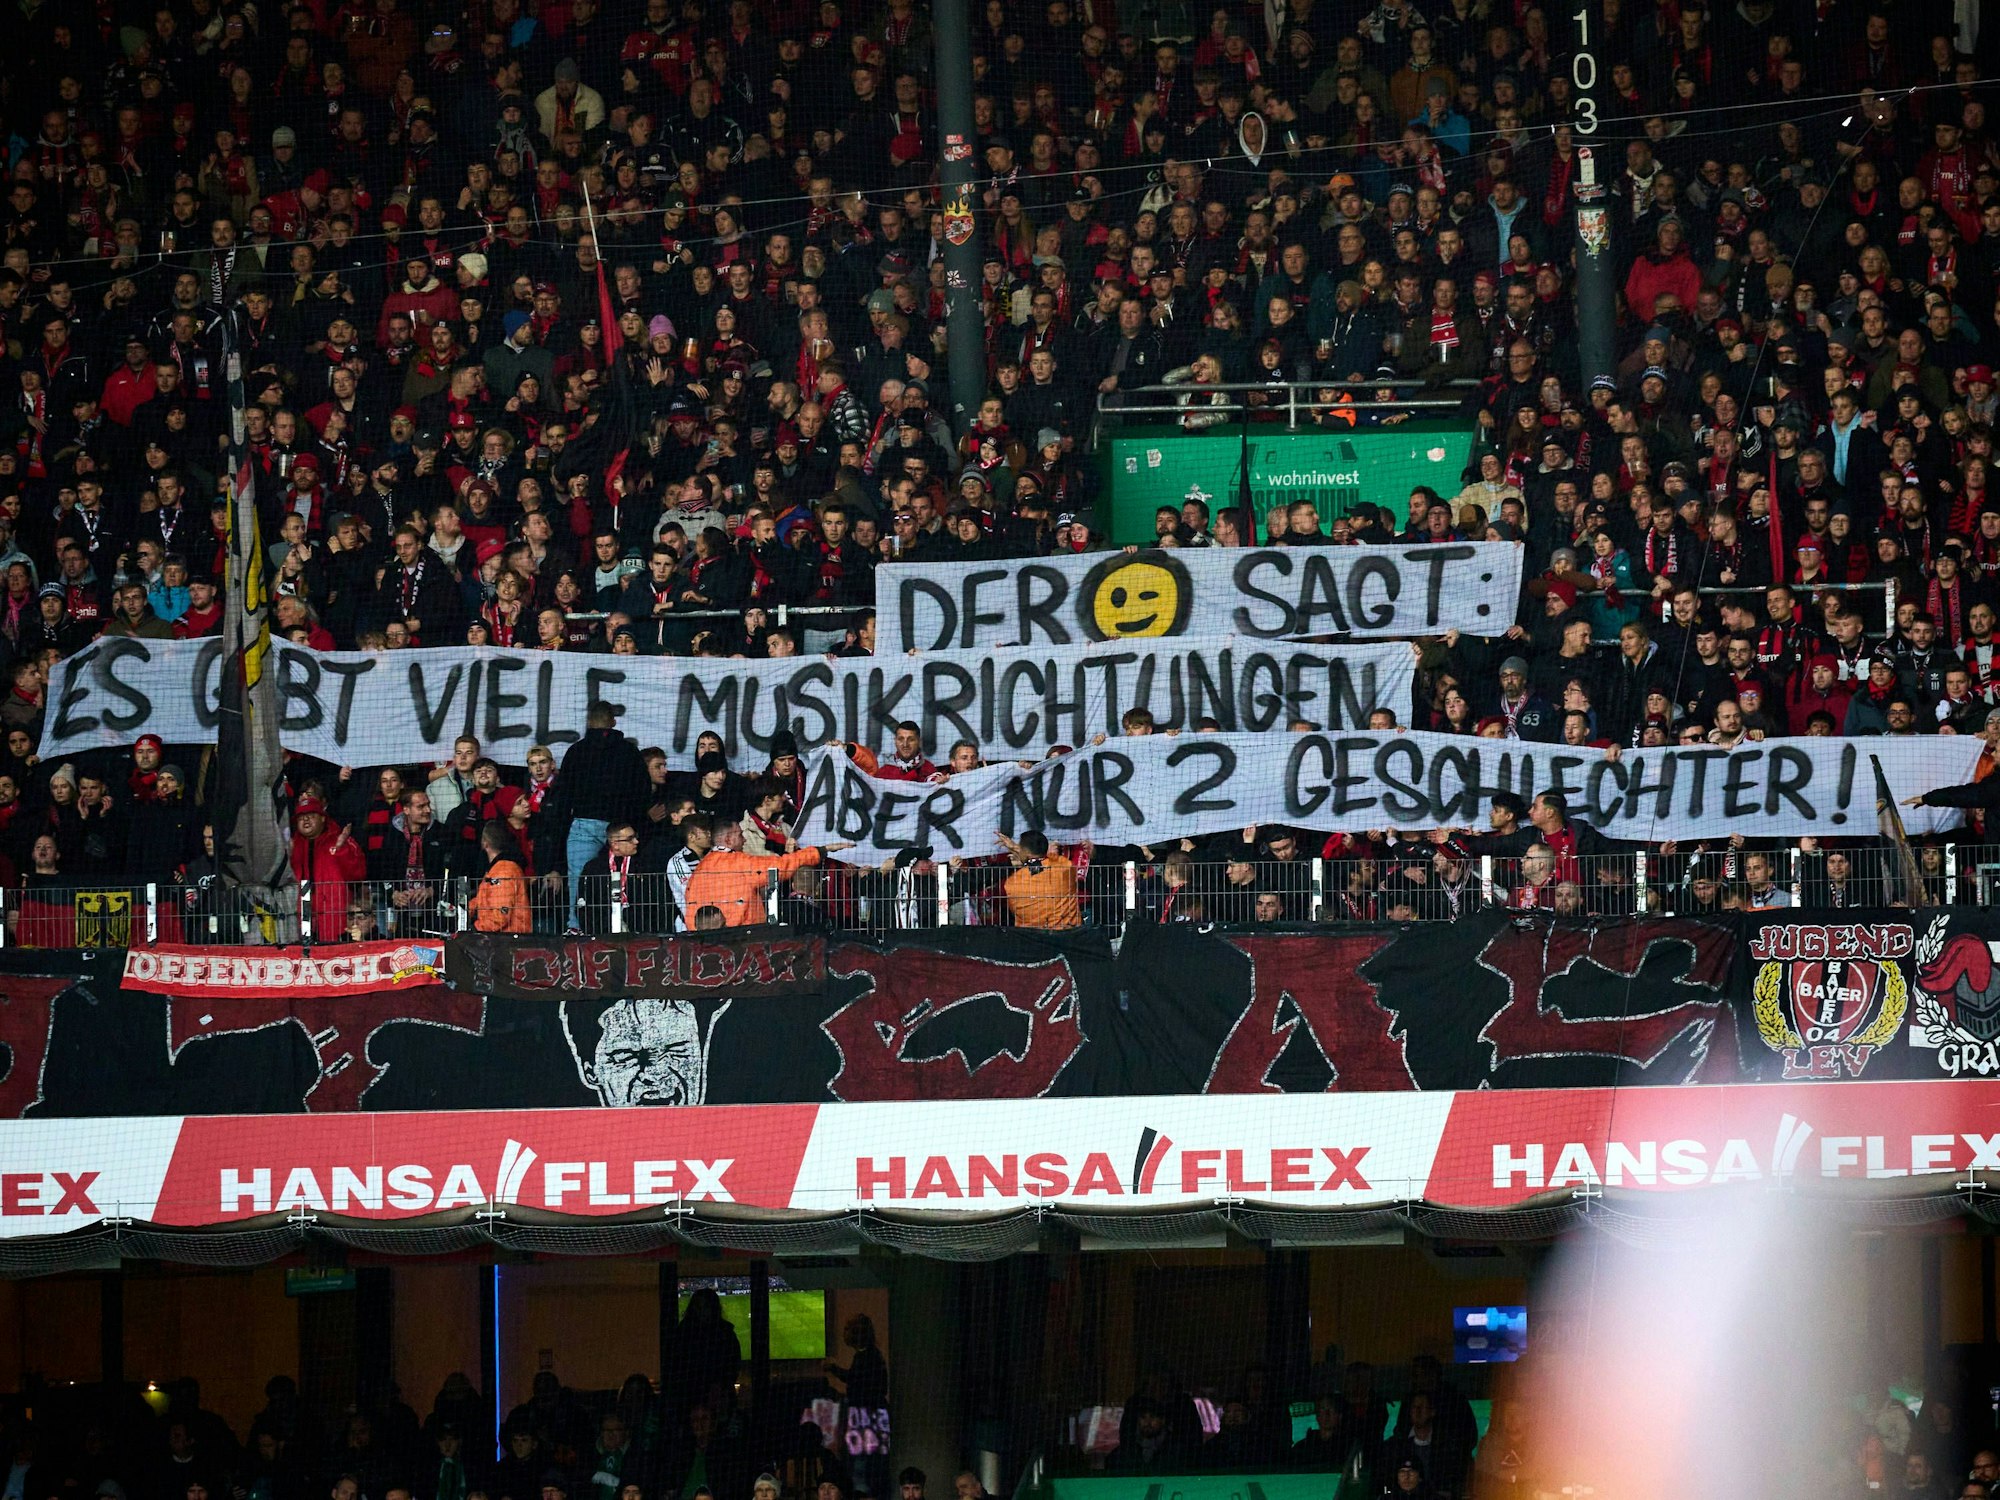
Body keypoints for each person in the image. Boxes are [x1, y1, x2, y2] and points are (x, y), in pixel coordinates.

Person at [469, 822, 533, 933]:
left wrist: (474, 929)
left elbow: (500, 916)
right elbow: (485, 899)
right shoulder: (499, 869)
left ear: (485, 843)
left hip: (507, 940)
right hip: (503, 938)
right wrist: (463, 910)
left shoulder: (503, 872)